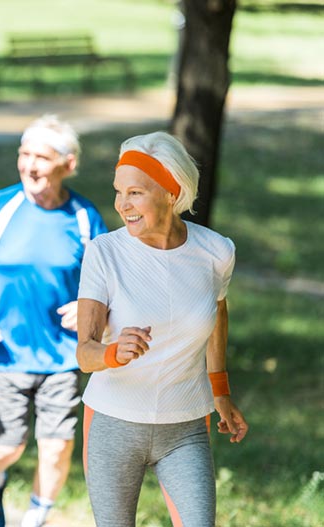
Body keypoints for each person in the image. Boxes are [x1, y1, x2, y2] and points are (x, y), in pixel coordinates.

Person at [76, 131, 249, 526]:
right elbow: (83, 352)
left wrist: (220, 390)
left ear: (172, 192)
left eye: (135, 193)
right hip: (114, 423)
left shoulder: (216, 252)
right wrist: (112, 352)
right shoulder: (104, 253)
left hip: (185, 426)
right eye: (119, 192)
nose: (122, 205)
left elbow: (216, 314)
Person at [0, 115, 107, 527]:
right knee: (9, 444)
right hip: (3, 352)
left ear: (68, 164)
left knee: (56, 446)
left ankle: (36, 517)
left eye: (42, 157)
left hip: (64, 355)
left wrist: (93, 309)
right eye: (24, 154)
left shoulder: (86, 217)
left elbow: (109, 279)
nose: (30, 166)